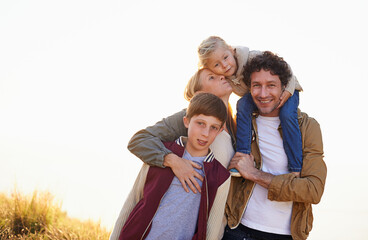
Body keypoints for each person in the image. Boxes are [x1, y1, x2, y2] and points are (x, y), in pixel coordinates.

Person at [110, 69, 236, 240]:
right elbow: (132, 202)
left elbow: (213, 228)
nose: (206, 133)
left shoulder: (220, 176)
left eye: (213, 127)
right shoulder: (160, 154)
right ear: (186, 121)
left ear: (220, 130)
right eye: (200, 123)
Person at [223, 51, 327, 240]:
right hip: (237, 229)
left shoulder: (308, 127)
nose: (263, 94)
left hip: (285, 235)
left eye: (271, 85)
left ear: (284, 87)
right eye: (256, 86)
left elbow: (313, 190)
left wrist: (253, 174)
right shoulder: (242, 123)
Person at [198, 36, 303, 177]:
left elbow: (284, 68)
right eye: (216, 65)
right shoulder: (226, 76)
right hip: (260, 95)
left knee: (287, 115)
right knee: (242, 105)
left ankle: (295, 167)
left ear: (231, 49)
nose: (224, 65)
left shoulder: (252, 57)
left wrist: (288, 91)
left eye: (225, 57)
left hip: (287, 87)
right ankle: (243, 154)